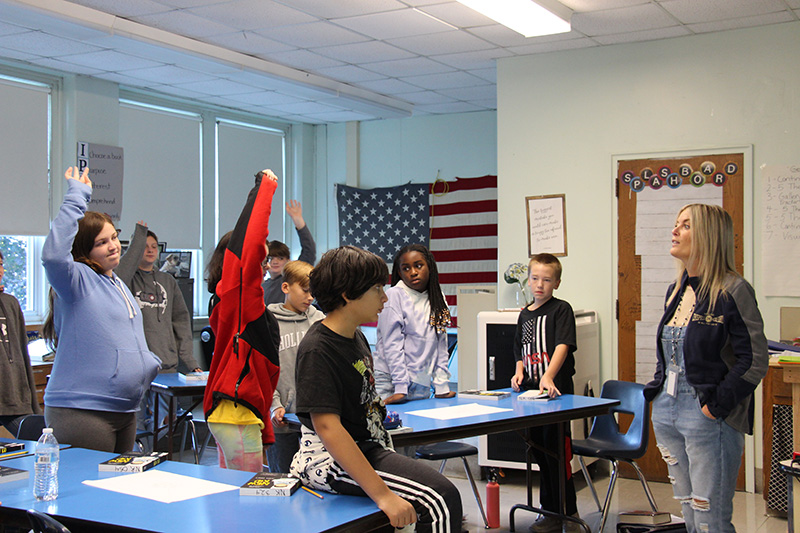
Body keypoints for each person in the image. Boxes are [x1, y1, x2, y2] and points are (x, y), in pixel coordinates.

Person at [289, 245, 463, 533]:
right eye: (377, 289)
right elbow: (328, 429)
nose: (385, 297)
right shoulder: (318, 348)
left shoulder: (354, 336)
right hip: (326, 460)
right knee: (440, 498)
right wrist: (383, 495)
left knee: (439, 494)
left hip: (369, 447)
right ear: (348, 294)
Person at [645, 204, 768, 533]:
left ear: (708, 236)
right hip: (668, 409)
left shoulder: (733, 290)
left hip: (707, 414)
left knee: (710, 518)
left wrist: (716, 406)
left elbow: (755, 359)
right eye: (675, 224)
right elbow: (670, 351)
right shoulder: (676, 290)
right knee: (688, 511)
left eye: (685, 225)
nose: (674, 231)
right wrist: (656, 389)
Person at [41, 167, 161, 453]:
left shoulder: (116, 282)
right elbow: (52, 256)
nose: (112, 246)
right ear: (84, 249)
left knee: (118, 492)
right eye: (101, 242)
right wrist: (77, 196)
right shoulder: (77, 280)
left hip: (125, 409)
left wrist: (147, 363)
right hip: (82, 410)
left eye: (113, 237)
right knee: (90, 494)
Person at [203, 169, 281, 472]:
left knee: (233, 500)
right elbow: (249, 244)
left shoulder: (232, 301)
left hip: (238, 414)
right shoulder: (239, 298)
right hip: (235, 415)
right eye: (260, 263)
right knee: (247, 501)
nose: (262, 269)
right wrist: (265, 189)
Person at [510, 253, 578, 533]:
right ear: (528, 280)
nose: (540, 284)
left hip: (556, 397)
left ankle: (567, 512)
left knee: (558, 457)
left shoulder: (561, 310)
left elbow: (563, 344)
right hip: (531, 399)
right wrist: (518, 371)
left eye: (547, 280)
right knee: (539, 453)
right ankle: (549, 512)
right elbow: (520, 349)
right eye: (535, 278)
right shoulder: (525, 314)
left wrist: (548, 375)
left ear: (557, 283)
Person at [116, 225, 202, 435]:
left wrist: (190, 363)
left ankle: (158, 457)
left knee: (164, 422)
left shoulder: (168, 281)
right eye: (144, 246)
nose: (150, 250)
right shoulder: (126, 280)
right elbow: (120, 274)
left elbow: (181, 322)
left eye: (154, 246)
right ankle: (140, 457)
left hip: (165, 365)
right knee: (134, 422)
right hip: (135, 366)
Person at [374, 244, 456, 404]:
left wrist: (441, 387)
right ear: (399, 273)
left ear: (429, 267)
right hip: (391, 381)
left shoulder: (439, 298)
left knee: (420, 427)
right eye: (406, 268)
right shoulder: (393, 296)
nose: (413, 272)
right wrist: (400, 387)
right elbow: (392, 345)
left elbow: (441, 345)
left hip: (420, 382)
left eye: (418, 266)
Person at [266, 260, 324, 473]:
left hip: (315, 418)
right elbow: (263, 370)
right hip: (282, 418)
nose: (310, 298)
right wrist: (274, 404)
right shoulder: (269, 322)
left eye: (313, 293)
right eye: (306, 291)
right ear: (286, 287)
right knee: (283, 477)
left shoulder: (319, 319)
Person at [0, 248, 41, 437]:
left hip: (12, 395)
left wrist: (31, 401)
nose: (0, 270)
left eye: (1, 264)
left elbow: (22, 355)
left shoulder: (10, 303)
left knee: (38, 438)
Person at [262, 200, 316, 305]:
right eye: (271, 258)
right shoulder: (263, 286)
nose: (275, 262)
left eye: (280, 258)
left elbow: (309, 251)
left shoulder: (292, 280)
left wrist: (298, 222)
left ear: (288, 261)